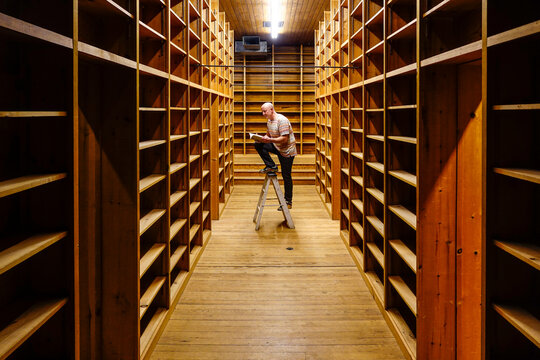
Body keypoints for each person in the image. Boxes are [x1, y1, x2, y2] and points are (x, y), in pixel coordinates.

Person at [255, 102, 297, 209]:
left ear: (272, 110)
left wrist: (269, 140)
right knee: (258, 145)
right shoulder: (269, 121)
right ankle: (271, 165)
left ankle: (288, 201)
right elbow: (269, 135)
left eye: (264, 111)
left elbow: (284, 139)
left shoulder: (282, 120)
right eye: (262, 111)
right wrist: (262, 138)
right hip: (277, 146)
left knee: (286, 175)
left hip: (287, 151)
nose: (263, 113)